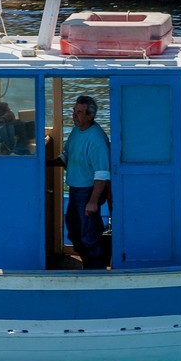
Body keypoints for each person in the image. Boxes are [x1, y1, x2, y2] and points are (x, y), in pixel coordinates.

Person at [48, 94, 111, 269]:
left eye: (79, 112)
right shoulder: (76, 131)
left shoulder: (96, 139)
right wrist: (46, 163)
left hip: (88, 192)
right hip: (75, 191)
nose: (74, 115)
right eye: (74, 111)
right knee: (75, 231)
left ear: (90, 115)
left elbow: (102, 174)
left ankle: (96, 272)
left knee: (89, 235)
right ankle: (88, 266)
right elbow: (67, 156)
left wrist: (93, 202)